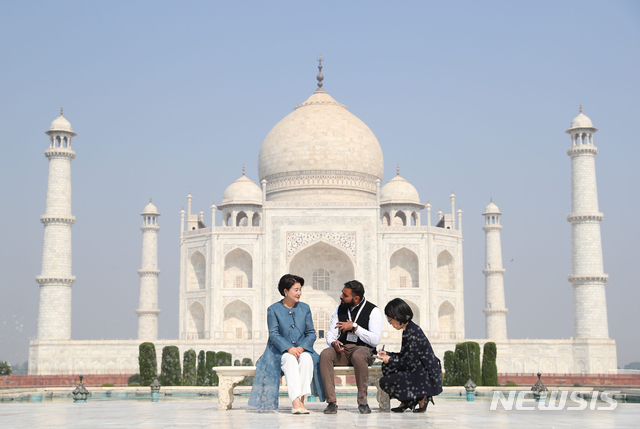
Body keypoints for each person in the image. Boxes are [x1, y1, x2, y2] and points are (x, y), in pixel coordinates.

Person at [248, 274, 325, 413]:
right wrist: (289, 348)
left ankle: (301, 401)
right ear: (285, 291)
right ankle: (296, 403)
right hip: (279, 352)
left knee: (307, 359)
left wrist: (301, 348)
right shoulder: (273, 309)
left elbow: (311, 333)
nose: (299, 293)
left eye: (300, 289)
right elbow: (274, 334)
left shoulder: (305, 308)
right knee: (289, 360)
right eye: (296, 290)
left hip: (302, 350)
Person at [320, 280, 382, 414]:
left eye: (345, 295)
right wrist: (333, 343)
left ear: (356, 298)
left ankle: (363, 402)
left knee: (358, 356)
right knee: (325, 354)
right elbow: (331, 334)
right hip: (343, 349)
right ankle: (331, 402)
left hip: (363, 350)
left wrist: (355, 327)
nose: (341, 296)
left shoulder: (373, 310)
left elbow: (375, 340)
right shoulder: (339, 309)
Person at [377, 298, 443, 413]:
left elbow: (409, 363)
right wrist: (388, 354)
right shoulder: (409, 330)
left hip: (425, 377)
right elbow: (406, 356)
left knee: (385, 381)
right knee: (387, 366)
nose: (391, 324)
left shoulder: (413, 332)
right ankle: (408, 400)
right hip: (419, 372)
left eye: (390, 320)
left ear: (398, 317)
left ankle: (421, 395)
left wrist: (390, 360)